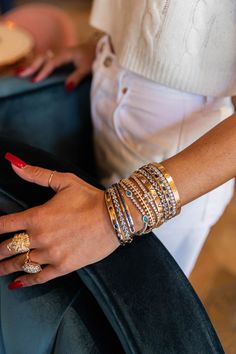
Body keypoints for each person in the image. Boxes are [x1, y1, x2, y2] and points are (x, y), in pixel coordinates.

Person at [16, 0, 236, 275]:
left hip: (180, 164)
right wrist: (111, 42)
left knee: (134, 306)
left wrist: (118, 213)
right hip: (106, 106)